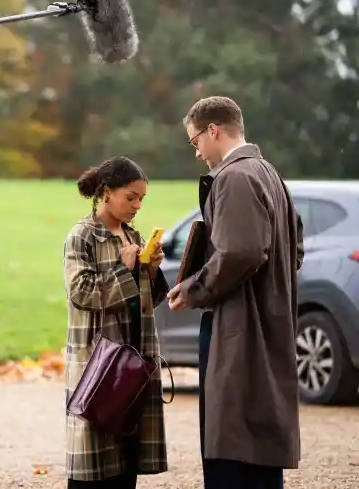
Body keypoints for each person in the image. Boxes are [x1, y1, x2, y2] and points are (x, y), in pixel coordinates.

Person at [167, 96, 304, 489]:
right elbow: (293, 248)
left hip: (239, 330)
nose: (196, 152)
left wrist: (194, 289)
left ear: (213, 130)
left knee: (232, 446)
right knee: (258, 445)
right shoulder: (270, 175)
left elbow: (241, 252)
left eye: (195, 142)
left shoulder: (234, 177)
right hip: (269, 324)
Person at [63, 156, 170, 489]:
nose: (137, 205)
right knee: (94, 464)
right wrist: (124, 270)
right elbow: (81, 293)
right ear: (106, 192)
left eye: (142, 199)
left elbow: (142, 303)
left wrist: (148, 271)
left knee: (126, 464)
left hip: (133, 365)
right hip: (100, 365)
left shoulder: (131, 234)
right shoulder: (82, 236)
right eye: (131, 197)